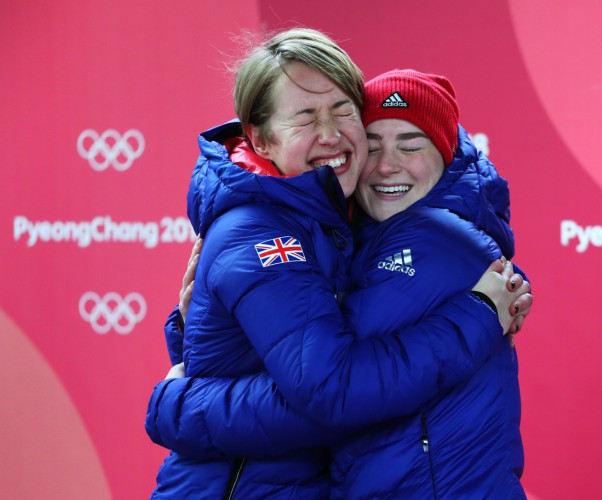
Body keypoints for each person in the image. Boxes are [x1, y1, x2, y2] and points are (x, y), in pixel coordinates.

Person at [146, 29, 530, 499]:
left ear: (446, 152)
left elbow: (331, 383)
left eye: (343, 110)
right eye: (305, 116)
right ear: (261, 141)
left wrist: (179, 403)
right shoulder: (277, 228)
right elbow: (337, 389)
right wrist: (478, 315)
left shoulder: (387, 230)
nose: (331, 134)